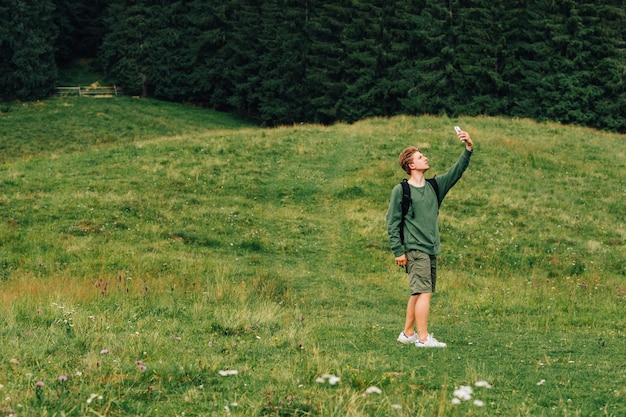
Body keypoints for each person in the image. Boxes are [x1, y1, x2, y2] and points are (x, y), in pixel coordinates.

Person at [386, 128, 474, 347]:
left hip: (431, 247)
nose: (424, 157)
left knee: (418, 292)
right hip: (416, 249)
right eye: (419, 156)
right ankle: (423, 339)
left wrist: (468, 148)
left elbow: (457, 171)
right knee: (424, 291)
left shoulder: (435, 186)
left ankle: (407, 334)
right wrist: (398, 250)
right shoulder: (401, 190)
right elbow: (392, 221)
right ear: (411, 166)